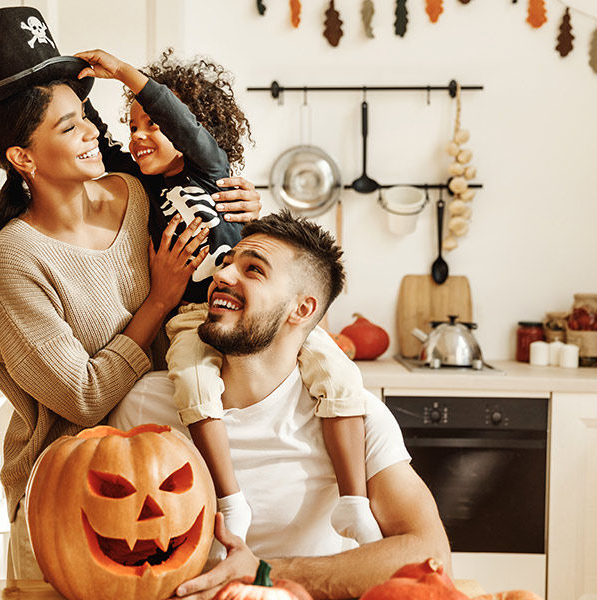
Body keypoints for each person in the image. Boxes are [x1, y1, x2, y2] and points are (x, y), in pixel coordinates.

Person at [0, 7, 261, 579]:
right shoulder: (13, 259)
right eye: (69, 128)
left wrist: (245, 211)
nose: (95, 132)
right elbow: (83, 397)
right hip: (71, 512)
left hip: (174, 494)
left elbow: (196, 173)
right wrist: (157, 303)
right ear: (22, 157)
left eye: (85, 117)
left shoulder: (136, 191)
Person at [75, 48, 379, 547]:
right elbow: (96, 143)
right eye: (132, 126)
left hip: (259, 312)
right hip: (193, 318)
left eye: (151, 123)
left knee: (339, 373)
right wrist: (74, 88)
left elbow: (179, 120)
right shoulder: (136, 188)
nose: (139, 136)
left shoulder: (211, 170)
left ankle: (354, 503)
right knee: (193, 383)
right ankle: (230, 501)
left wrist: (127, 75)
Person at [109, 210, 451, 599]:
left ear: (301, 309)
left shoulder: (357, 417)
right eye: (225, 262)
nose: (221, 275)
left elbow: (430, 555)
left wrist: (263, 572)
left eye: (253, 270)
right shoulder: (145, 405)